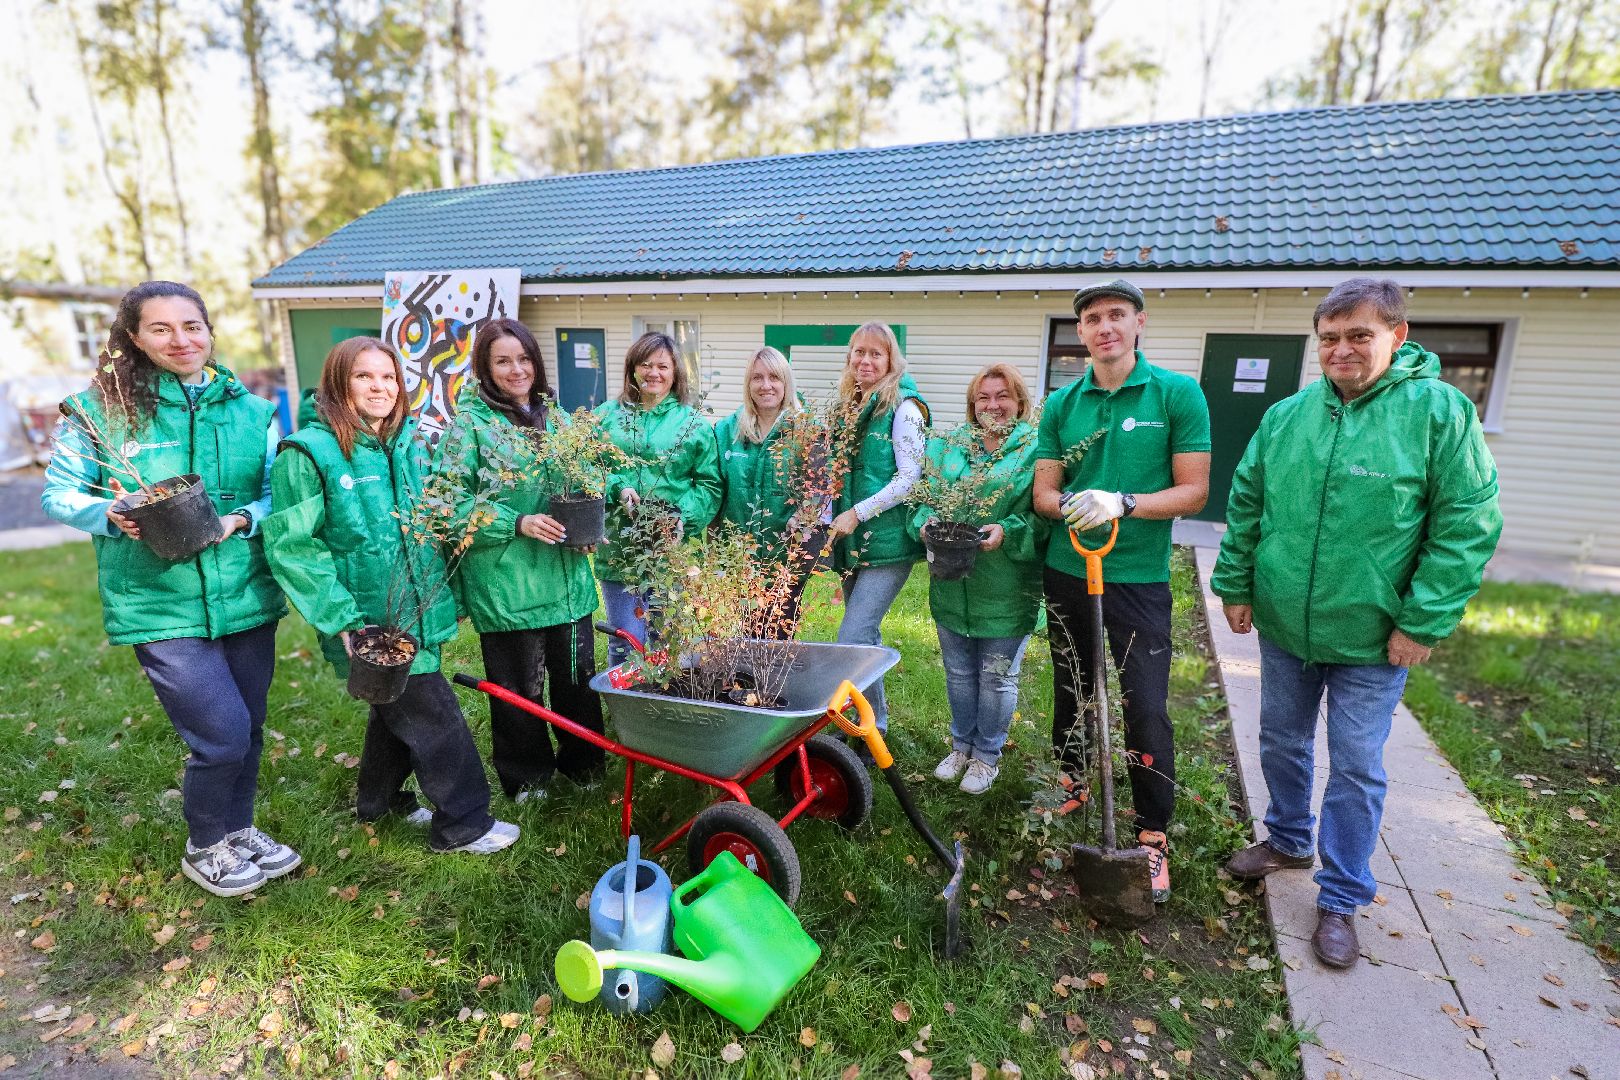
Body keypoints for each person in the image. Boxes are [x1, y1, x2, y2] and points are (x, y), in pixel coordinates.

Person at [1211, 278, 1502, 970]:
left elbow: (1467, 523)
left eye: (1358, 336)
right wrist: (1235, 582)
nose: (1341, 350)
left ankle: (1340, 895)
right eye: (1330, 338)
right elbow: (1247, 499)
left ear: (1397, 338)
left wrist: (1423, 621)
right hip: (1285, 622)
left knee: (1357, 766)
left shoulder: (1438, 414)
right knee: (1280, 739)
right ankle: (1286, 837)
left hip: (1374, 637)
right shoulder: (1288, 416)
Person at [41, 280, 295, 897]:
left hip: (242, 592)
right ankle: (205, 842)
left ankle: (239, 827)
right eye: (161, 329)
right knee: (222, 733)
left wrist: (244, 519)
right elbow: (59, 494)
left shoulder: (252, 412)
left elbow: (270, 493)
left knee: (250, 725)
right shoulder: (100, 412)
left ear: (209, 330)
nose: (181, 340)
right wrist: (111, 512)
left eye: (192, 326)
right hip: (157, 600)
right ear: (134, 338)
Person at [264, 337, 518, 855]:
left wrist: (455, 591)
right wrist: (343, 620)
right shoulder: (308, 453)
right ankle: (463, 823)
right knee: (434, 719)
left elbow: (437, 521)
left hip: (419, 609)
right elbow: (294, 547)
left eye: (388, 377)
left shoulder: (409, 446)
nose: (379, 387)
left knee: (393, 710)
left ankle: (378, 803)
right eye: (364, 376)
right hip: (368, 621)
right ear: (339, 382)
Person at [1032, 278, 1211, 903]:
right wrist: (1070, 505)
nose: (1104, 327)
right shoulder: (1062, 405)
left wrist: (1124, 502)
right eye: (1092, 319)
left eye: (1116, 315)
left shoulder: (1177, 395)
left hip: (1136, 576)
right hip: (1069, 568)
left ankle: (1153, 830)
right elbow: (1043, 494)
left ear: (1139, 323)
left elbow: (1193, 491)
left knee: (1145, 700)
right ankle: (1073, 779)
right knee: (1072, 683)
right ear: (1080, 333)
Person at [437, 320, 605, 803]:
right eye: (503, 361)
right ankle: (527, 776)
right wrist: (515, 521)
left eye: (524, 358)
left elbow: (586, 475)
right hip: (507, 581)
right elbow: (446, 501)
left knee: (575, 681)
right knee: (518, 690)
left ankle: (585, 761)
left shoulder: (558, 419)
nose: (517, 370)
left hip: (566, 577)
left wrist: (589, 519)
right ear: (486, 369)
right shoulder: (469, 426)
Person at [910, 364, 1046, 795]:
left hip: (1006, 586)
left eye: (1002, 396)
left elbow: (1045, 517)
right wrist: (924, 521)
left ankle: (986, 755)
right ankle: (960, 746)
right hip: (951, 583)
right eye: (983, 398)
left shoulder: (1036, 452)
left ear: (1019, 402)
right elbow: (922, 499)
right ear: (972, 404)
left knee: (996, 676)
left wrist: (1009, 530)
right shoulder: (948, 448)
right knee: (958, 672)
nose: (993, 406)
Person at [827, 322, 930, 736]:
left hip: (887, 541)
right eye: (859, 352)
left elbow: (910, 477)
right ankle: (871, 724)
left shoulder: (903, 408)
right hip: (856, 543)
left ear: (891, 360)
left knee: (852, 635)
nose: (865, 361)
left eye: (876, 353)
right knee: (864, 636)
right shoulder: (851, 405)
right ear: (849, 357)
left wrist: (856, 513)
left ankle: (871, 727)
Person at [594, 332, 722, 666]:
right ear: (632, 369)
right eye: (645, 364)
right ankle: (627, 714)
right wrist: (617, 486)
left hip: (672, 552)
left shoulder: (691, 423)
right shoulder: (607, 417)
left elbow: (709, 484)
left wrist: (683, 517)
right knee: (626, 639)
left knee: (670, 639)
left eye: (663, 366)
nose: (654, 373)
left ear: (676, 372)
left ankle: (665, 710)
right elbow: (587, 468)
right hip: (620, 550)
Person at [713, 346, 812, 633]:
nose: (766, 385)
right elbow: (713, 485)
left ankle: (773, 679)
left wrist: (805, 513)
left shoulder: (806, 430)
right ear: (748, 384)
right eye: (757, 378)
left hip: (785, 553)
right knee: (739, 635)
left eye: (774, 378)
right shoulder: (727, 431)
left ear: (786, 383)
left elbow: (820, 485)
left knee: (778, 634)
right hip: (736, 555)